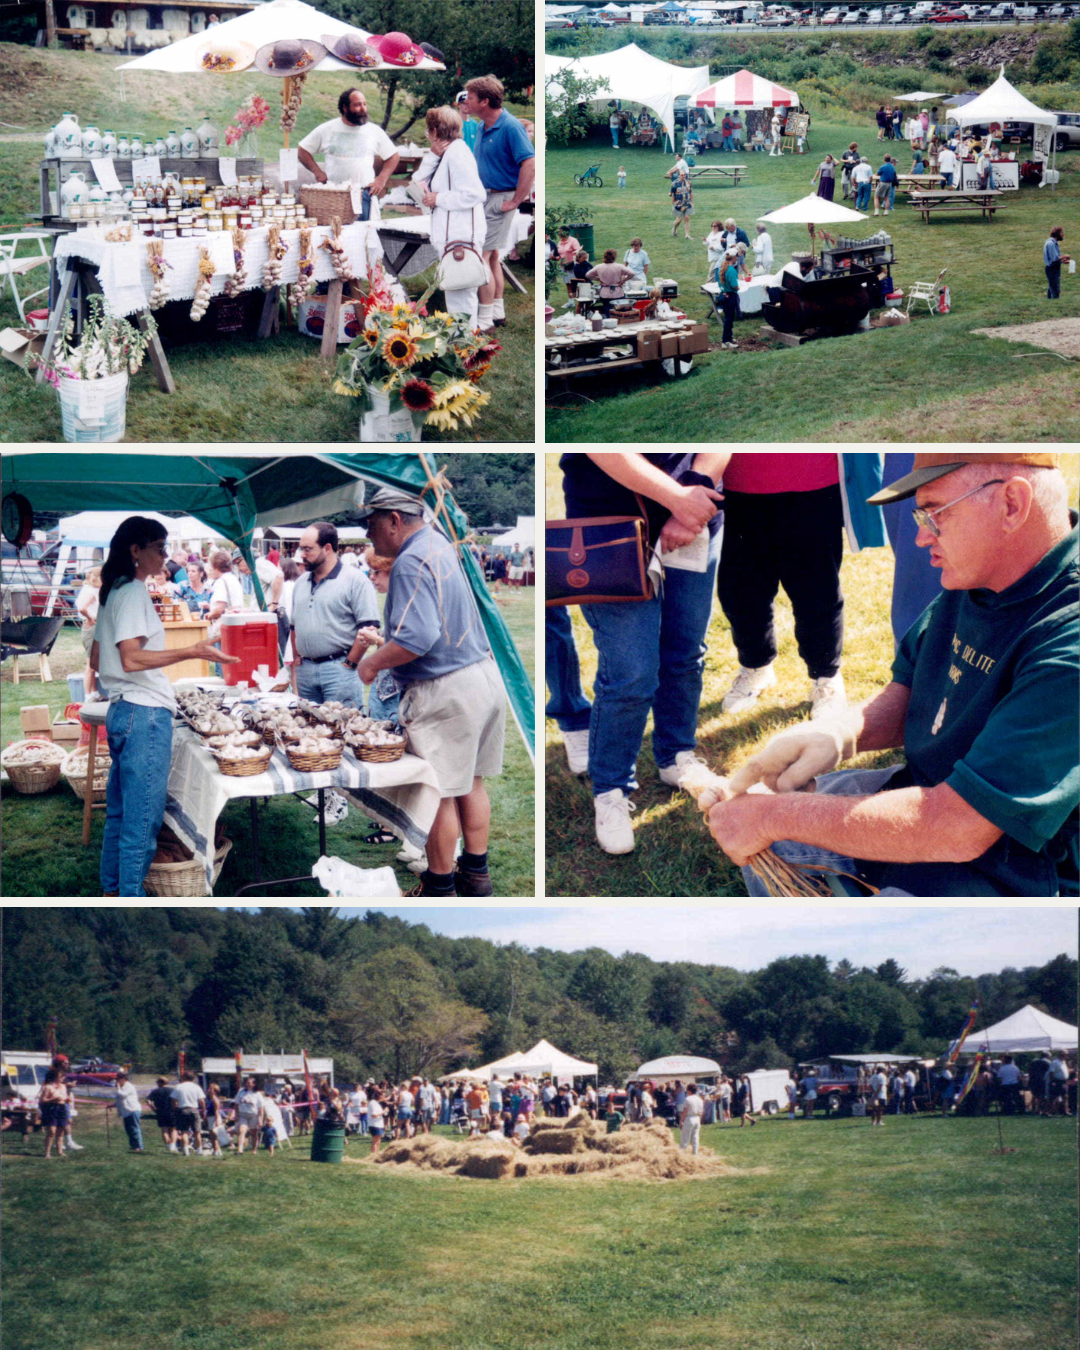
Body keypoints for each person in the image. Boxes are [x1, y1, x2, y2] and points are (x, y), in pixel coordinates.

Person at [708, 453, 1078, 899]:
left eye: (935, 513)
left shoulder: (1068, 634)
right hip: (937, 794)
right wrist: (839, 733)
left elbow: (960, 828)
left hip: (1022, 860)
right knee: (778, 826)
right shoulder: (989, 569)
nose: (921, 537)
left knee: (782, 827)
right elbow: (912, 688)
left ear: (1012, 504)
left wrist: (774, 817)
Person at [559, 453, 727, 854]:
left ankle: (676, 756)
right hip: (608, 522)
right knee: (631, 671)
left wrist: (693, 496)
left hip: (697, 510)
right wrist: (678, 499)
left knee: (686, 651)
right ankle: (611, 790)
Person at [354, 487, 507, 897]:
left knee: (437, 790)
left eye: (371, 526)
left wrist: (371, 662)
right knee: (471, 784)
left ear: (393, 520)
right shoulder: (441, 543)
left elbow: (416, 639)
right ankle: (475, 875)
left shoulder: (409, 560)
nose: (370, 536)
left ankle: (440, 886)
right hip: (482, 676)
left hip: (447, 689)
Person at [90, 518, 235, 897]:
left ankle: (112, 891)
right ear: (135, 550)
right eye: (158, 546)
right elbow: (132, 659)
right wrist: (192, 649)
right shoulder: (132, 592)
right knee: (142, 820)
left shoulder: (112, 591)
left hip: (123, 711)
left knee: (121, 815)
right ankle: (129, 900)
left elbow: (96, 658)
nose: (164, 555)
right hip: (143, 715)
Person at [716, 454, 870, 719]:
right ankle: (755, 666)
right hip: (737, 485)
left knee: (817, 591)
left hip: (813, 483)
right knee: (741, 591)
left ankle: (826, 677)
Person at [464, 75, 535, 332]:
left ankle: (484, 321)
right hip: (486, 196)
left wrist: (516, 200)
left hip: (500, 198)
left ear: (484, 101)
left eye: (470, 97)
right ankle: (496, 312)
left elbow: (529, 163)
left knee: (480, 256)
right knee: (492, 256)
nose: (466, 101)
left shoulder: (510, 126)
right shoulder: (483, 125)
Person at [289, 521, 379, 707]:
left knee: (342, 729)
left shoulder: (355, 580)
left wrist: (350, 664)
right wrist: (297, 658)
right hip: (305, 671)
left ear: (327, 548)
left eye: (308, 549)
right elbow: (293, 625)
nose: (302, 555)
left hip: (338, 671)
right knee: (308, 729)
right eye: (301, 549)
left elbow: (368, 628)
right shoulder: (301, 582)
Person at [418, 105, 488, 330]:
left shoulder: (458, 154)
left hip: (462, 234)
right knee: (455, 292)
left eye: (428, 131)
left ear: (436, 131)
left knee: (462, 293)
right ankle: (462, 342)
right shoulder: (446, 153)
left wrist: (438, 199)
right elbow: (418, 181)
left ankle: (467, 345)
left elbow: (475, 194)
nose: (428, 136)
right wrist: (432, 154)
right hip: (450, 233)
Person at [297, 88, 399, 222]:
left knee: (364, 238)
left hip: (364, 194)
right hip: (334, 195)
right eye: (357, 105)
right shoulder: (328, 128)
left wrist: (381, 179)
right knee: (337, 238)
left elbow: (393, 156)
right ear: (345, 108)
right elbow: (302, 150)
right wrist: (317, 172)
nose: (363, 108)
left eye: (364, 104)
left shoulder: (374, 131)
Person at [585, 249, 637, 317]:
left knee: (607, 312)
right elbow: (632, 273)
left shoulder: (599, 267)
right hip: (617, 293)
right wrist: (624, 280)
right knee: (619, 314)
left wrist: (598, 279)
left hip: (605, 294)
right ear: (614, 257)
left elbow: (587, 275)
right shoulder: (619, 266)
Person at [76, 567, 102, 697]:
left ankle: (95, 693)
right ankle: (87, 696)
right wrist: (90, 618)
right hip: (92, 627)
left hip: (91, 628)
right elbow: (82, 608)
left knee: (93, 663)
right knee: (90, 665)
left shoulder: (87, 589)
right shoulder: (92, 591)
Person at [171, 1072, 206, 1156]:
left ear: (184, 1077)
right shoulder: (197, 1087)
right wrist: (204, 1111)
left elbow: (173, 1100)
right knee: (197, 1131)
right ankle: (199, 1149)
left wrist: (175, 1108)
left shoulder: (178, 1087)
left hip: (182, 1109)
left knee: (184, 1131)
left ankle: (186, 1149)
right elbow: (202, 1101)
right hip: (194, 1109)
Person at [39, 1067, 70, 1159]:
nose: (62, 1078)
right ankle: (47, 1152)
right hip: (51, 1108)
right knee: (52, 1131)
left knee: (61, 1131)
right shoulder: (48, 1087)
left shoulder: (63, 1087)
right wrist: (52, 1099)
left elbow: (64, 1097)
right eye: (60, 1076)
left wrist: (67, 1099)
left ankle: (60, 1151)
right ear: (55, 1077)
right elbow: (43, 1100)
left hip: (62, 1108)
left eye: (63, 1077)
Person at [113, 1071, 144, 1153]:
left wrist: (118, 1088)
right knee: (129, 1129)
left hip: (132, 1110)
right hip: (126, 1111)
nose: (116, 1081)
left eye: (118, 1079)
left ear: (123, 1079)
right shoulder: (122, 1087)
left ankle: (139, 1146)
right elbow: (120, 1100)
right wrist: (113, 1105)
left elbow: (122, 1095)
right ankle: (133, 1146)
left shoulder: (129, 1086)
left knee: (134, 1128)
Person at [717, 247, 741, 351]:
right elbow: (734, 285)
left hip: (723, 294)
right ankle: (726, 341)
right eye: (737, 257)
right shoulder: (731, 270)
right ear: (734, 258)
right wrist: (738, 287)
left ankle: (728, 338)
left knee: (728, 318)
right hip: (730, 296)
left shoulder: (721, 268)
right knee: (729, 319)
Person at [234, 1075, 265, 1154]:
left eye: (249, 1083)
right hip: (243, 1114)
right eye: (246, 1082)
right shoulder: (241, 1091)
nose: (247, 1084)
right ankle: (240, 1149)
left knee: (253, 1133)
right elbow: (236, 1104)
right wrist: (236, 1114)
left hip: (253, 1115)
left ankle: (254, 1149)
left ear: (253, 1084)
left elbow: (261, 1108)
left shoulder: (257, 1094)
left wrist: (260, 1119)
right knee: (241, 1131)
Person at [149, 1077, 177, 1151]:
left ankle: (168, 1145)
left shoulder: (155, 1091)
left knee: (164, 1129)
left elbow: (148, 1101)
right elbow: (176, 1101)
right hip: (172, 1111)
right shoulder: (172, 1090)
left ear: (160, 1083)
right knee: (173, 1129)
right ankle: (173, 1145)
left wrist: (153, 1108)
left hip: (160, 1112)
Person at [1044, 226, 1068, 301]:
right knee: (1055, 290)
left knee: (1052, 287)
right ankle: (1055, 304)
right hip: (1052, 269)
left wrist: (1062, 261)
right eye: (1062, 233)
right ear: (1057, 234)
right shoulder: (1051, 244)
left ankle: (1049, 303)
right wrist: (1065, 256)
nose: (1063, 235)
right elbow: (1054, 258)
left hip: (1052, 268)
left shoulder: (1052, 242)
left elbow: (1054, 258)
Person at [679, 1083, 705, 1154]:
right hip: (697, 1118)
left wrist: (681, 1121)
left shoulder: (687, 1099)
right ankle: (694, 1153)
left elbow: (684, 1111)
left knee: (685, 1138)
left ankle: (682, 1154)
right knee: (695, 1137)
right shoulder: (700, 1099)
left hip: (689, 1118)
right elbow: (701, 1112)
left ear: (689, 1091)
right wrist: (699, 1120)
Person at [556, 228, 581, 297]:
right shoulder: (560, 242)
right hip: (564, 266)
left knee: (574, 283)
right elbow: (559, 255)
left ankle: (579, 299)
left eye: (560, 232)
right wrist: (555, 257)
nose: (558, 234)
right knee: (567, 283)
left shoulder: (573, 241)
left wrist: (573, 262)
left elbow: (578, 252)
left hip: (572, 265)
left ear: (566, 233)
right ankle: (571, 301)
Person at [670, 170, 694, 240]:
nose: (684, 176)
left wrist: (692, 202)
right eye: (682, 175)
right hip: (678, 203)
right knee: (679, 220)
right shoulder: (674, 184)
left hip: (687, 202)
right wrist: (674, 203)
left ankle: (687, 235)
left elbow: (691, 192)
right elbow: (673, 195)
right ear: (678, 176)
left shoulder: (688, 182)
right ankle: (674, 229)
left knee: (687, 218)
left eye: (684, 175)